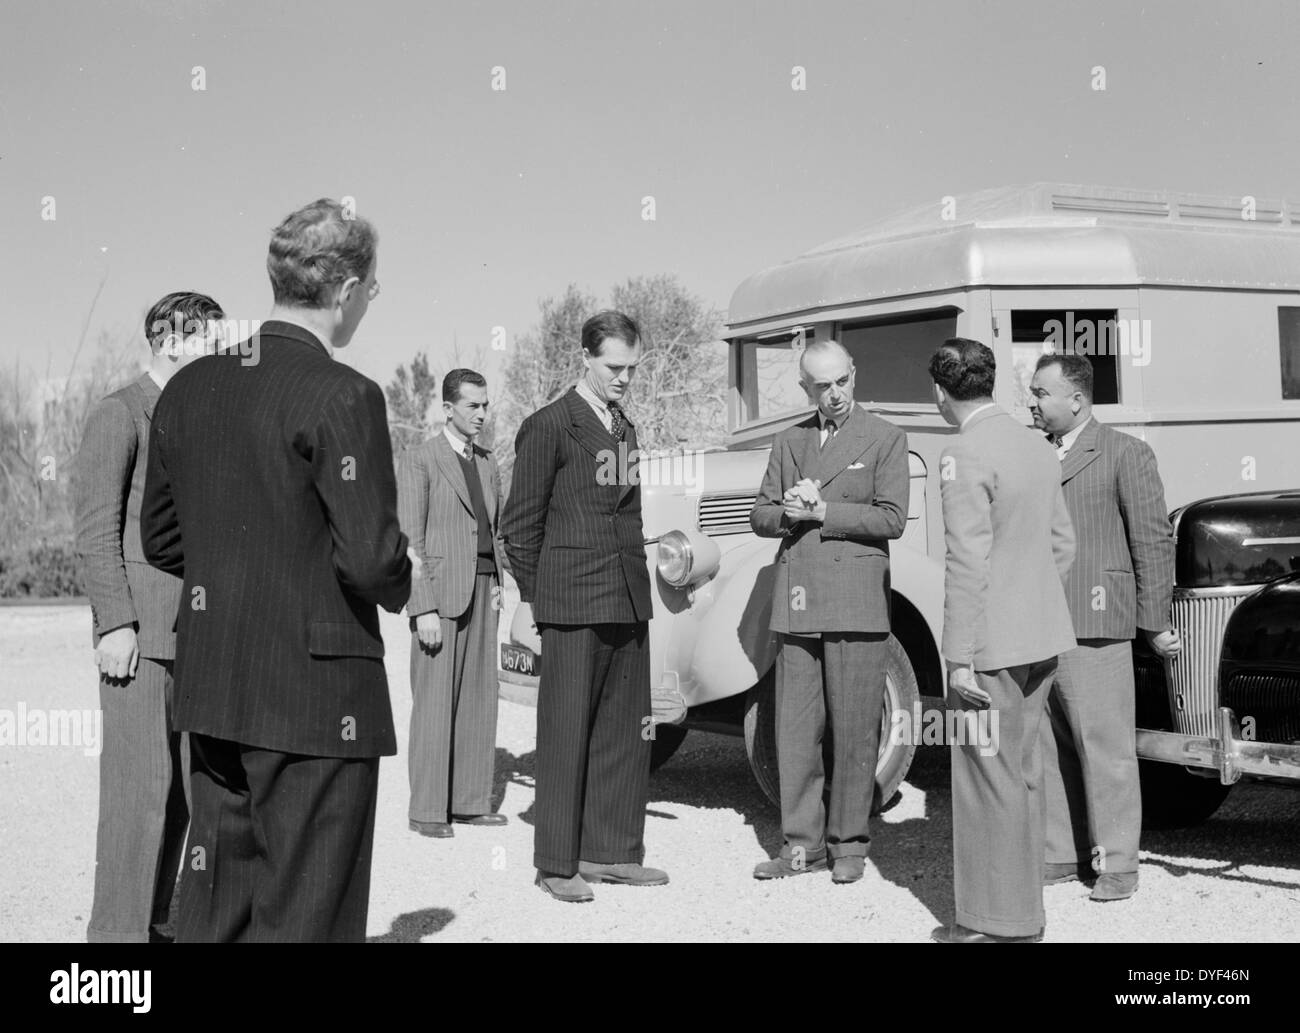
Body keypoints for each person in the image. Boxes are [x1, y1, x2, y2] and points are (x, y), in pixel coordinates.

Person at [141, 198, 411, 942]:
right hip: (317, 699)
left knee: (216, 903)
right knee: (307, 912)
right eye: (372, 289)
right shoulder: (345, 394)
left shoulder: (190, 388)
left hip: (214, 685)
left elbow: (162, 537)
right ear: (348, 289)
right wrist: (401, 571)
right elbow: (370, 560)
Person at [500, 310, 667, 903]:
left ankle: (611, 853)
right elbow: (519, 526)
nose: (624, 378)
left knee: (625, 733)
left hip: (625, 596)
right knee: (567, 731)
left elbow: (628, 513)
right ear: (586, 359)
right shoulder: (549, 425)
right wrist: (536, 602)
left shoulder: (625, 428)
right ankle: (556, 862)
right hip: (570, 603)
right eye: (613, 367)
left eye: (631, 368)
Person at [76, 291, 224, 942]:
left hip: (198, 639)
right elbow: (94, 529)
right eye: (205, 338)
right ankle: (113, 944)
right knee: (136, 799)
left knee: (186, 796)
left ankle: (159, 923)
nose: (217, 350)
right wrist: (114, 623)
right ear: (166, 338)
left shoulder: (204, 416)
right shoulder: (120, 412)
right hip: (138, 636)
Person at [929, 338, 1076, 943]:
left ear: (940, 393)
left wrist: (957, 656)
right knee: (1024, 772)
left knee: (986, 781)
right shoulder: (1035, 445)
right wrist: (1030, 601)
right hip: (1041, 634)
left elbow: (967, 562)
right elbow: (1061, 544)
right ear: (990, 382)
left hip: (989, 645)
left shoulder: (963, 452)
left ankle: (1000, 924)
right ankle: (1024, 911)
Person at [749, 340, 909, 884]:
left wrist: (824, 512)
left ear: (854, 375)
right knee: (795, 732)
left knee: (855, 729)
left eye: (841, 381)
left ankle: (849, 847)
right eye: (822, 386)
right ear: (805, 389)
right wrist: (786, 512)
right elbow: (760, 514)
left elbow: (891, 519)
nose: (834, 394)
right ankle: (801, 846)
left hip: (856, 600)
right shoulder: (789, 439)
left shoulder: (886, 437)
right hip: (798, 601)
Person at [1028, 353, 1179, 902]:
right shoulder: (1032, 453)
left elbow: (1152, 540)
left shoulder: (1125, 453)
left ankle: (1118, 863)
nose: (1032, 402)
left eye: (1042, 392)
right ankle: (1063, 852)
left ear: (1077, 399)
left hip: (1095, 620)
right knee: (1050, 744)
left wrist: (1153, 621)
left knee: (1105, 746)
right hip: (1039, 621)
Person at [398, 368, 508, 838]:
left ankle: (468, 800)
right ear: (448, 409)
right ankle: (426, 809)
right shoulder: (420, 459)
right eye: (471, 406)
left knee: (479, 700)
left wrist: (502, 580)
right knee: (435, 703)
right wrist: (421, 606)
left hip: (484, 590)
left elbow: (493, 529)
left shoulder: (487, 461)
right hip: (440, 595)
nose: (481, 414)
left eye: (485, 405)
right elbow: (409, 540)